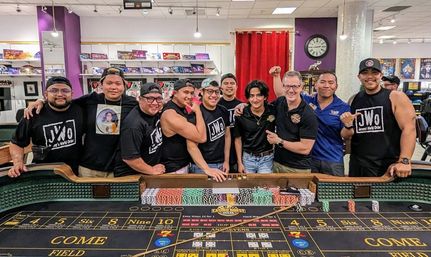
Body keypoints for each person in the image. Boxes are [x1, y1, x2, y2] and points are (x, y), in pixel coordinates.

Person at [25, 67, 138, 177]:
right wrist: (41, 101)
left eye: (118, 83)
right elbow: (64, 101)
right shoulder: (90, 99)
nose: (113, 87)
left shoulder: (133, 104)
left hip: (119, 169)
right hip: (89, 167)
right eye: (109, 83)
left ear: (124, 86)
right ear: (100, 85)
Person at [270, 67, 356, 176]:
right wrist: (276, 76)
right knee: (310, 191)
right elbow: (283, 94)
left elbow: (345, 135)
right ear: (316, 85)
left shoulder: (343, 107)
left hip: (332, 159)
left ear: (336, 86)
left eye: (331, 83)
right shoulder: (308, 100)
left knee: (333, 192)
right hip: (311, 158)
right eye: (323, 82)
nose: (326, 85)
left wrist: (348, 125)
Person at [350, 58, 416, 177]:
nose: (369, 77)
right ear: (359, 77)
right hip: (357, 165)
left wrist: (404, 160)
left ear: (381, 75)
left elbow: (409, 129)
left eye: (374, 73)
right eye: (365, 73)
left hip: (386, 167)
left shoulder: (396, 97)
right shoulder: (354, 99)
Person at [8, 76, 84, 178]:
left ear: (72, 94)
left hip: (74, 172)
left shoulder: (80, 109)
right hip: (44, 172)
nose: (60, 94)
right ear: (46, 94)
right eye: (54, 90)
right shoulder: (33, 114)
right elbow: (16, 142)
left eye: (65, 90)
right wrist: (18, 163)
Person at [267, 70, 319, 172]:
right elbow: (261, 108)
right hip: (276, 164)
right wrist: (244, 106)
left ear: (301, 87)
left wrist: (279, 141)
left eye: (295, 86)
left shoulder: (308, 114)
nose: (291, 90)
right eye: (287, 86)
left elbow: (305, 148)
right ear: (283, 87)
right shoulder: (280, 102)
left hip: (298, 169)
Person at [114, 83, 165, 176]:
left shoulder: (154, 113)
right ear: (140, 99)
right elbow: (130, 158)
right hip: (131, 176)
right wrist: (151, 170)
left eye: (158, 98)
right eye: (149, 98)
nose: (154, 103)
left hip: (145, 173)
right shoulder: (133, 124)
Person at [160, 79, 206, 174]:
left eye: (192, 93)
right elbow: (201, 137)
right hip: (174, 169)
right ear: (175, 93)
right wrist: (198, 111)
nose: (189, 96)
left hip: (182, 164)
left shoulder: (182, 108)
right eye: (185, 92)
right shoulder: (170, 114)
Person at [187, 78, 229, 182]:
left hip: (222, 164)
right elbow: (191, 146)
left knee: (221, 197)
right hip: (201, 166)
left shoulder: (223, 110)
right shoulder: (195, 114)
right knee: (203, 197)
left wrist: (226, 161)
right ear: (202, 92)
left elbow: (227, 135)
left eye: (217, 92)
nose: (214, 95)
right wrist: (206, 168)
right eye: (210, 91)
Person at [234, 80, 276, 173]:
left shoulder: (272, 110)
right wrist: (240, 163)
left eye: (259, 95)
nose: (255, 99)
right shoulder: (241, 114)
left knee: (264, 187)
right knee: (248, 187)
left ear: (265, 97)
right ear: (248, 98)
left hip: (267, 159)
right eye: (252, 96)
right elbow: (237, 140)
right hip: (248, 159)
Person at [218, 73, 243, 172]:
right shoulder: (216, 105)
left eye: (232, 83)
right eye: (226, 83)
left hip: (239, 151)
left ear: (236, 87)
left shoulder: (242, 105)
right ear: (221, 87)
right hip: (220, 151)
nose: (229, 86)